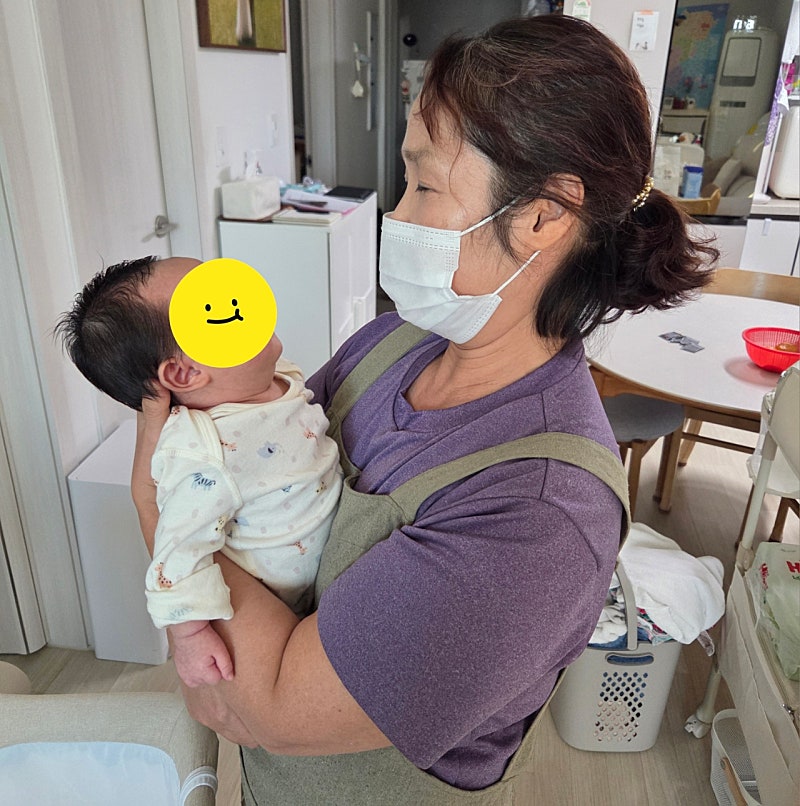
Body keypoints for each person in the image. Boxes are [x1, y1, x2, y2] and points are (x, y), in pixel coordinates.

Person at [131, 15, 716, 805]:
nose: (397, 215)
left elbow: (259, 707)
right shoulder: (391, 344)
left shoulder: (539, 512)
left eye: (426, 186)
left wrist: (158, 503)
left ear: (544, 216)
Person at [57, 256, 342, 687]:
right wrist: (188, 634)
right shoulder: (201, 452)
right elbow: (177, 546)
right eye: (213, 309)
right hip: (281, 604)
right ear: (183, 373)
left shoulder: (274, 376)